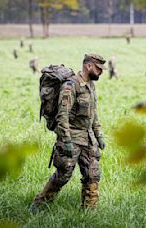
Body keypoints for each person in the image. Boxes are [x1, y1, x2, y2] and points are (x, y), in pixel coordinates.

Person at [30, 53, 106, 212]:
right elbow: (62, 116)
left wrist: (99, 135)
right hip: (72, 138)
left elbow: (94, 114)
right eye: (98, 69)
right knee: (63, 175)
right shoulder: (70, 86)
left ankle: (89, 213)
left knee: (92, 175)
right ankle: (38, 206)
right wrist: (66, 141)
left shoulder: (91, 85)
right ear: (88, 66)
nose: (101, 72)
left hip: (89, 139)